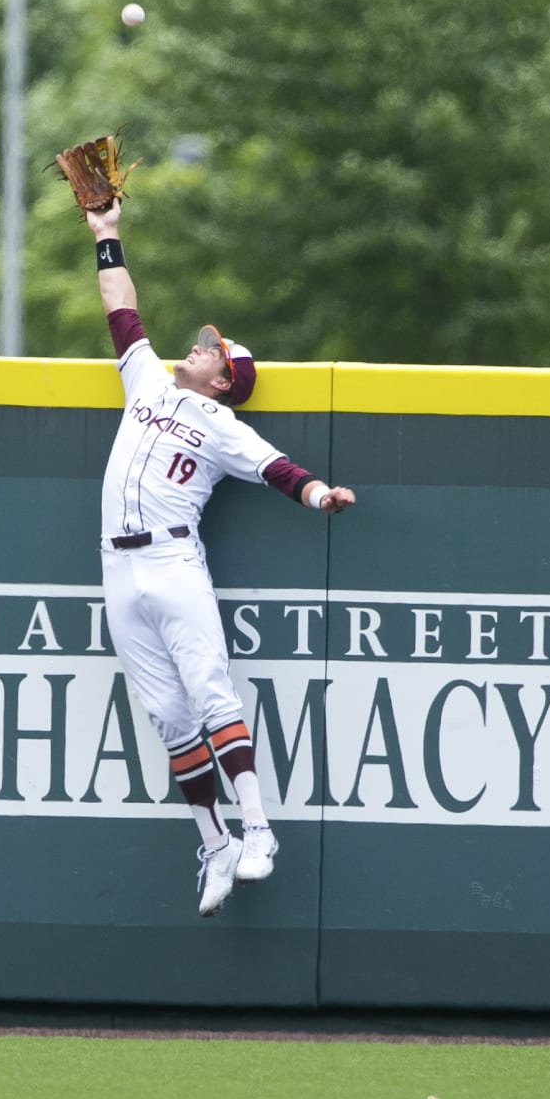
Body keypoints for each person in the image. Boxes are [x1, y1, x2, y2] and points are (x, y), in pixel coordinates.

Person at [82, 196, 356, 917]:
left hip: (172, 562)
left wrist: (321, 496)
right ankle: (215, 844)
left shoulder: (223, 422)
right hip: (118, 566)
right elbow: (121, 312)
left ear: (225, 376)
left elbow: (283, 472)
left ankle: (259, 829)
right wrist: (107, 236)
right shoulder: (144, 379)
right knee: (168, 716)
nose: (197, 345)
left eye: (210, 347)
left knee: (210, 697)